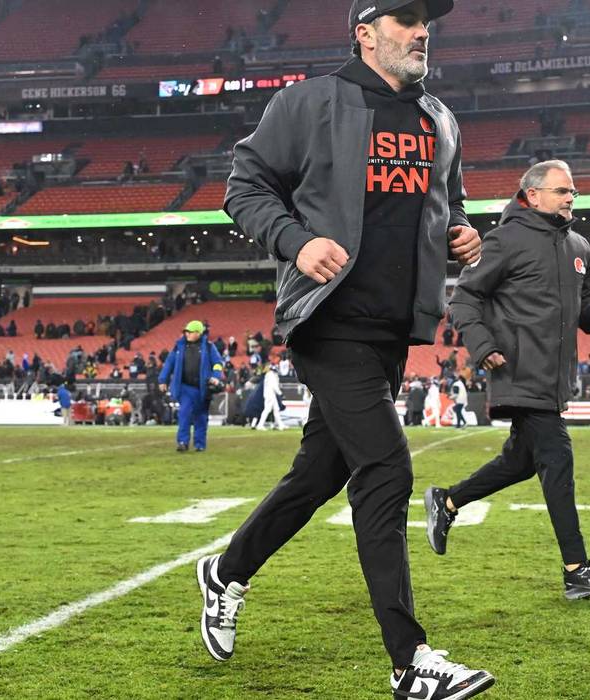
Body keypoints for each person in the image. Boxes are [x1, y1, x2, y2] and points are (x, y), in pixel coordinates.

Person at [204, 2, 493, 694]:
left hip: (393, 328)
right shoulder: (307, 103)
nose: (421, 31)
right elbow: (242, 189)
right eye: (405, 19)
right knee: (387, 471)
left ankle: (225, 571)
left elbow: (447, 205)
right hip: (327, 320)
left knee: (318, 473)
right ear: (365, 34)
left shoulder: (441, 119)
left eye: (427, 21)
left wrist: (463, 232)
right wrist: (297, 242)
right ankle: (409, 662)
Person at [424, 159, 590, 604]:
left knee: (520, 462)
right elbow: (464, 298)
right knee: (556, 457)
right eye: (561, 191)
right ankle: (577, 569)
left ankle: (448, 502)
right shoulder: (506, 240)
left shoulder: (579, 245)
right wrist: (483, 346)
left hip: (554, 375)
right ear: (532, 196)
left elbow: (585, 298)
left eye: (573, 191)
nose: (570, 197)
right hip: (517, 368)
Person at [159, 320, 224, 452]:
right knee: (184, 413)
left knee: (201, 416)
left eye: (189, 332)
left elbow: (217, 363)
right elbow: (169, 363)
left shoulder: (209, 347)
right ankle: (183, 442)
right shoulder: (179, 347)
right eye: (186, 332)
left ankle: (200, 444)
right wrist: (162, 380)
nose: (186, 334)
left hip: (202, 388)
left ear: (198, 333)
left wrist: (216, 377)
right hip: (185, 387)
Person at [256, 363, 285, 430]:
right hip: (270, 395)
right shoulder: (271, 375)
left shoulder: (268, 375)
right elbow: (274, 386)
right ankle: (260, 425)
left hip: (270, 394)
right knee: (267, 410)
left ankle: (281, 425)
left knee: (276, 409)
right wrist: (280, 393)